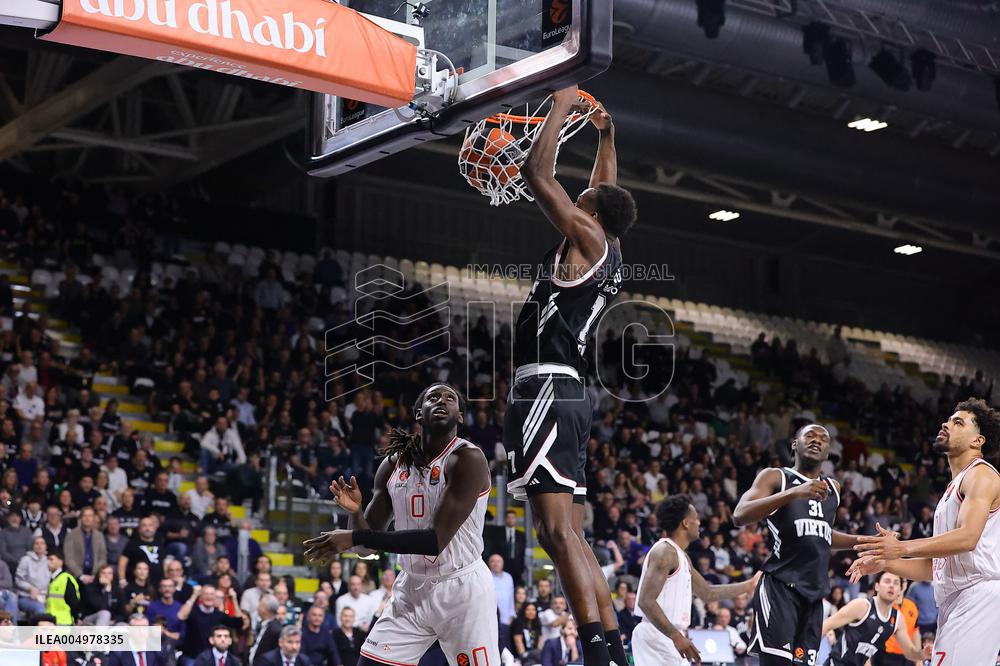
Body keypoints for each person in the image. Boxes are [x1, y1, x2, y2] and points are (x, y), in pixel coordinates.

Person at [502, 87, 635, 666]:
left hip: (547, 391)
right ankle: (613, 650)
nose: (579, 195)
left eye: (585, 199)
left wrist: (560, 105)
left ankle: (597, 655)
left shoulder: (589, 236)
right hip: (572, 395)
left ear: (592, 214)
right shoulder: (609, 241)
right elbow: (606, 188)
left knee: (557, 537)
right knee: (572, 537)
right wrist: (605, 132)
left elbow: (538, 173)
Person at [303, 383, 499, 666]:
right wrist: (355, 512)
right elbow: (363, 548)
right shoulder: (393, 465)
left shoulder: (468, 458)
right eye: (433, 397)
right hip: (411, 589)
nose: (441, 401)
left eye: (450, 398)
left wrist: (354, 534)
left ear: (459, 416)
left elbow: (434, 540)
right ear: (419, 413)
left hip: (462, 590)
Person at [849, 399, 1000, 665]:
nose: (946, 423)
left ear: (978, 441)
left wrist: (903, 547)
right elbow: (937, 566)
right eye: (949, 419)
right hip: (955, 599)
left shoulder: (982, 475)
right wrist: (886, 562)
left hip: (979, 594)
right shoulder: (952, 489)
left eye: (958, 422)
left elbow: (968, 538)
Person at [733, 424, 867, 665]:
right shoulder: (776, 476)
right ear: (795, 444)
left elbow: (823, 534)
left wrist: (865, 542)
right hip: (780, 586)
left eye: (823, 438)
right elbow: (739, 514)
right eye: (810, 436)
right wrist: (794, 493)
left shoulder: (833, 489)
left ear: (827, 451)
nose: (816, 440)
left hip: (814, 594)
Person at [632, 496, 759, 665]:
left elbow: (707, 593)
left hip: (670, 635)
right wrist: (676, 636)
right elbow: (645, 601)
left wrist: (750, 584)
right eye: (696, 519)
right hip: (658, 634)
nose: (699, 523)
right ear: (685, 523)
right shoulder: (664, 552)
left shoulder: (681, 556)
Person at [821, 571, 926, 665]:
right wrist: (806, 653)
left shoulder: (898, 619)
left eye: (896, 583)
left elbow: (910, 653)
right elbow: (826, 625)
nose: (891, 586)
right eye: (887, 581)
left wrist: (923, 654)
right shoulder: (862, 606)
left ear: (900, 590)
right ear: (877, 586)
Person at [45, 549, 80, 625]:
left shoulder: (66, 579)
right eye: (47, 559)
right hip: (52, 623)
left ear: (60, 562)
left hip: (64, 624)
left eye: (51, 559)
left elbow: (74, 603)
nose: (48, 562)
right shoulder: (52, 580)